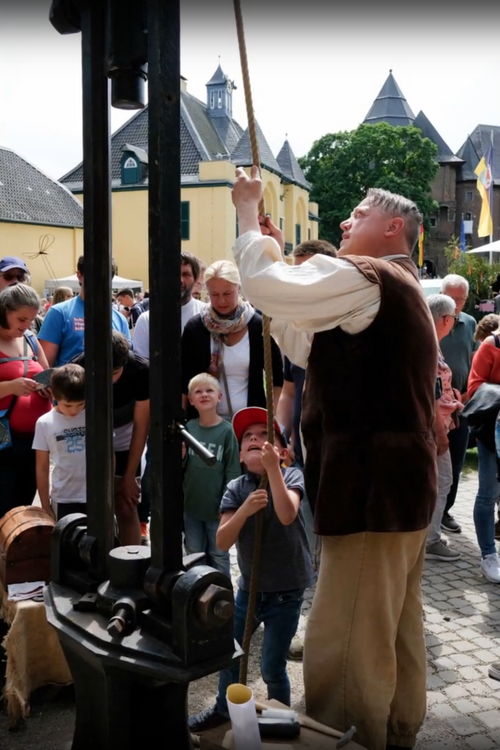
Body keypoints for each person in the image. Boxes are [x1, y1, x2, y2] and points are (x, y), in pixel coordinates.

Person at [229, 166, 438, 750]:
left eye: (361, 214)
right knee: (393, 627)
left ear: (393, 227)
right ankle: (396, 732)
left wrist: (249, 217)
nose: (345, 220)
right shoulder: (397, 284)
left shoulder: (369, 277)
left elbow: (267, 295)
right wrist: (276, 258)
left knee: (343, 642)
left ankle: (346, 738)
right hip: (399, 492)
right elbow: (301, 335)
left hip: (372, 493)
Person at [188, 406, 316, 732]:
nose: (256, 439)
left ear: (282, 451)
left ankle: (281, 720)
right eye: (248, 437)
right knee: (230, 656)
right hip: (249, 589)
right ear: (241, 456)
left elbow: (287, 514)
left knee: (272, 666)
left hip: (286, 592)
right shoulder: (236, 489)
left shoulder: (291, 475)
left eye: (264, 435)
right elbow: (221, 541)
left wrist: (275, 470)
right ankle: (221, 708)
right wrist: (244, 510)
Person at [182, 259, 283, 422]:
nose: (221, 301)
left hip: (249, 425)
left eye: (227, 294)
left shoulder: (258, 326)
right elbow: (184, 380)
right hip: (204, 425)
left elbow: (277, 375)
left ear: (239, 288)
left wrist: (271, 415)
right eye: (214, 294)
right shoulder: (195, 328)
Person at [73, 331, 149, 545]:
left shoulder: (141, 370)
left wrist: (129, 476)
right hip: (91, 436)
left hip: (126, 437)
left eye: (115, 372)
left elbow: (142, 426)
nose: (110, 380)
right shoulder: (79, 368)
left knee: (127, 505)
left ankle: (131, 563)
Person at [0, 284, 52, 518]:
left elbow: (46, 373)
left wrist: (48, 387)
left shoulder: (30, 339)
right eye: (21, 319)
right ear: (4, 311)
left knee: (23, 505)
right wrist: (11, 387)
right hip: (5, 439)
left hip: (36, 440)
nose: (26, 326)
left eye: (30, 321)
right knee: (5, 504)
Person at [182, 373, 241, 575]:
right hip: (191, 506)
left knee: (218, 553)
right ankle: (195, 592)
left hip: (217, 509)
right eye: (198, 392)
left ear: (219, 397)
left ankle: (222, 593)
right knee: (193, 552)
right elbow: (183, 468)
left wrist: (227, 504)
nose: (204, 395)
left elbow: (233, 470)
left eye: (209, 391)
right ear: (191, 400)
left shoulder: (227, 431)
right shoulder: (188, 428)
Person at [38, 255, 130, 366]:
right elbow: (45, 367)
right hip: (69, 382)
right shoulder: (58, 313)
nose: (100, 282)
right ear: (80, 276)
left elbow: (125, 363)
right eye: (94, 276)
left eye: (106, 277)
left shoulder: (119, 319)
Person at [425, 295, 463, 562]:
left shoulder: (427, 343)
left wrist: (452, 398)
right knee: (442, 481)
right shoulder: (427, 346)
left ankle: (425, 536)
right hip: (432, 430)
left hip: (434, 426)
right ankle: (430, 540)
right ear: (447, 319)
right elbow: (429, 395)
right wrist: (440, 432)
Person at [439, 274, 477, 534]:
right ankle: (428, 514)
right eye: (451, 298)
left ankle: (445, 511)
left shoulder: (470, 322)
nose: (456, 304)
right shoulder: (428, 320)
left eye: (460, 300)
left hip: (462, 404)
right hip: (434, 404)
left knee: (456, 460)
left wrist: (467, 393)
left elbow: (471, 359)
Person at [33, 364, 86, 521]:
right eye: (68, 405)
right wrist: (45, 505)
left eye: (80, 404)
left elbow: (109, 455)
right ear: (54, 396)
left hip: (95, 495)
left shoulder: (95, 415)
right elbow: (41, 467)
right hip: (63, 497)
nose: (74, 410)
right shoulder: (45, 423)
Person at [467, 326, 500, 582]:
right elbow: (475, 387)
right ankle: (489, 555)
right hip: (492, 434)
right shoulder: (492, 344)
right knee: (488, 495)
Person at [131, 252, 206, 360]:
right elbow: (141, 365)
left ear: (195, 278)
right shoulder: (147, 320)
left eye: (186, 274)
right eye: (174, 273)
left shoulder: (206, 314)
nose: (180, 280)